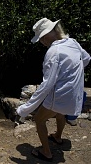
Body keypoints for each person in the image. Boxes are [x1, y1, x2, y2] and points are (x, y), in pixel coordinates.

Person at [16, 17, 91, 162]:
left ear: (52, 32)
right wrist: (71, 75)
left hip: (60, 94)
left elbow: (47, 85)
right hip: (74, 93)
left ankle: (46, 152)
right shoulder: (72, 42)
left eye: (43, 37)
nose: (42, 41)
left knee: (39, 119)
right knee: (59, 114)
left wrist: (25, 108)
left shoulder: (53, 52)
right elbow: (86, 59)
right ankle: (57, 137)